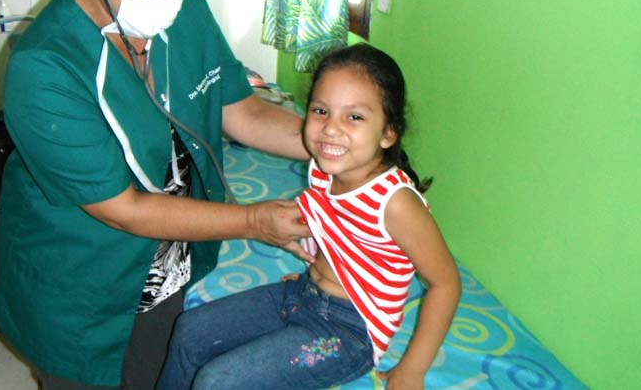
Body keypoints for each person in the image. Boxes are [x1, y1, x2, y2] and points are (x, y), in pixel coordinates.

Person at [0, 0, 312, 390]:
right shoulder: (45, 66)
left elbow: (239, 109)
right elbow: (123, 210)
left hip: (168, 267)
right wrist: (256, 221)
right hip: (85, 286)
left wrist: (334, 143)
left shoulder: (186, 12)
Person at [158, 43, 461, 390]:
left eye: (355, 117)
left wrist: (412, 369)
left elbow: (446, 283)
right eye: (320, 111)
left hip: (348, 334)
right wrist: (318, 265)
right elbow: (339, 224)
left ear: (389, 132)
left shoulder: (396, 203)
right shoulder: (323, 168)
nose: (331, 129)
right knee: (190, 330)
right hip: (303, 294)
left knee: (219, 381)